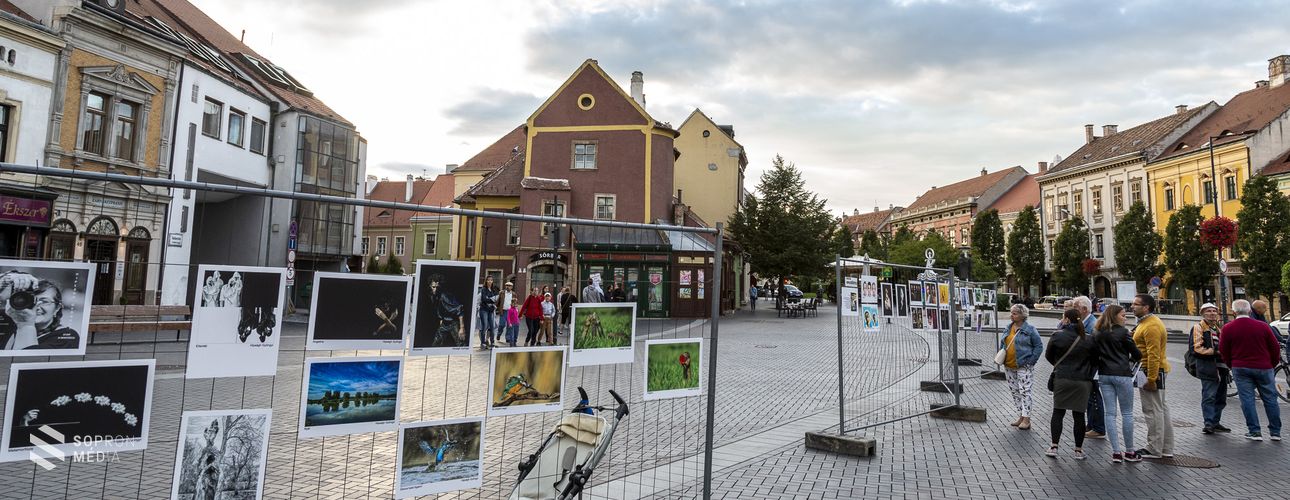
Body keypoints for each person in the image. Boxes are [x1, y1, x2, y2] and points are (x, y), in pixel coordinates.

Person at [1219, 299, 1283, 441]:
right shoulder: (1263, 326)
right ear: (1249, 311)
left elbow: (1223, 350)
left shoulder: (1228, 328)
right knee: (1270, 398)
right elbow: (1275, 347)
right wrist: (1271, 363)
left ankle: (1254, 431)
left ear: (1234, 312)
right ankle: (1275, 432)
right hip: (1264, 367)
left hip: (1240, 367)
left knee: (1247, 399)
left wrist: (1232, 364)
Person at [1045, 308, 1100, 460]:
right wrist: (1087, 374)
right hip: (1082, 381)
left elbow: (1048, 356)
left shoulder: (1057, 336)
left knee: (1058, 412)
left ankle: (1054, 446)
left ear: (1067, 319)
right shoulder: (1089, 339)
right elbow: (1095, 360)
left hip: (1062, 378)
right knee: (1079, 415)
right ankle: (1078, 450)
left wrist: (1060, 366)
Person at [1093, 304, 1143, 463]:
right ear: (1114, 316)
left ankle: (1116, 452)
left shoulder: (1098, 332)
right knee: (1127, 413)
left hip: (1104, 374)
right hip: (1122, 374)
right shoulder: (1123, 333)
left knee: (1110, 413)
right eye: (1123, 315)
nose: (1125, 318)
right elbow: (1137, 354)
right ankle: (1129, 451)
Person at [1131, 293, 1174, 459]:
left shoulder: (1151, 326)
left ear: (1146, 307)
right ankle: (1166, 447)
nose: (1132, 306)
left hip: (1151, 370)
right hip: (1153, 370)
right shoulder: (1147, 322)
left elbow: (1153, 354)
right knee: (1161, 408)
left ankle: (1154, 448)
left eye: (1136, 304)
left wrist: (1151, 379)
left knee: (1152, 410)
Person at [0, 271, 81, 351]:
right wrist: (5, 280)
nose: (36, 306)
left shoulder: (67, 337)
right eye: (30, 300)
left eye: (44, 301)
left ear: (57, 308)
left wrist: (25, 325)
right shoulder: (7, 318)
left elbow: (26, 361)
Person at [1000, 304, 1044, 430]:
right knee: (1015, 392)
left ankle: (1027, 418)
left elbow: (1039, 346)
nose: (1011, 315)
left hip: (1023, 366)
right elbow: (1004, 343)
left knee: (1025, 392)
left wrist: (1030, 362)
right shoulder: (1008, 328)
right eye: (1011, 313)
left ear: (1022, 315)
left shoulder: (1030, 329)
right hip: (1009, 365)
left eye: (1014, 313)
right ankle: (1021, 415)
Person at [1191, 303, 1232, 434]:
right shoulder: (1199, 327)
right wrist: (1216, 352)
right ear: (1203, 313)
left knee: (1221, 397)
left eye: (1214, 311)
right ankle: (1208, 423)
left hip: (1221, 368)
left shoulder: (1217, 329)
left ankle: (1215, 422)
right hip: (1208, 368)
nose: (1212, 313)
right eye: (1209, 311)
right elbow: (1196, 348)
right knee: (1209, 396)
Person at [1072, 296, 1106, 440]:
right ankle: (1091, 424)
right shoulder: (1083, 323)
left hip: (1091, 367)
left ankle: (1098, 428)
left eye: (1076, 308)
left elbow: (1095, 347)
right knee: (1089, 397)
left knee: (1093, 396)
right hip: (1086, 366)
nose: (1074, 311)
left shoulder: (1092, 325)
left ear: (1084, 310)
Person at [414, 273, 465, 348]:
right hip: (444, 323)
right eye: (433, 287)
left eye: (437, 287)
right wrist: (441, 318)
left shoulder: (444, 296)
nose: (435, 289)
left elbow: (459, 308)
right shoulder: (433, 296)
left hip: (453, 323)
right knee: (435, 344)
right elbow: (438, 308)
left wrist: (462, 328)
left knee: (461, 345)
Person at [477, 276, 498, 350]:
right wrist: (491, 300)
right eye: (488, 280)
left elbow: (496, 299)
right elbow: (484, 299)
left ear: (492, 281)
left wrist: (490, 300)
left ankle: (492, 343)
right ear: (486, 281)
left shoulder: (493, 290)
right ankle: (483, 343)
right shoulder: (483, 289)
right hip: (484, 310)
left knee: (492, 327)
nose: (490, 281)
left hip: (491, 310)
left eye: (491, 280)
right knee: (484, 326)